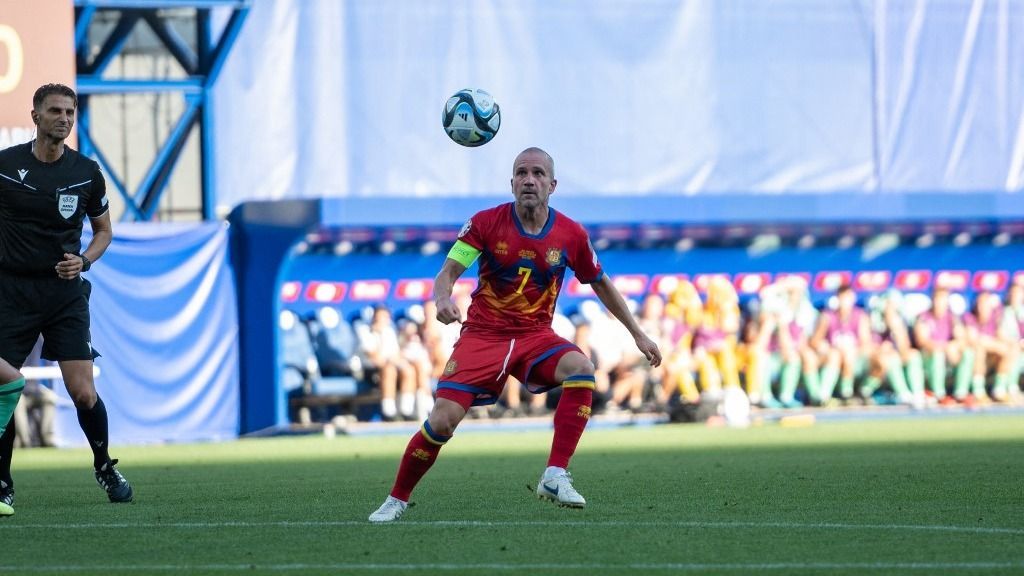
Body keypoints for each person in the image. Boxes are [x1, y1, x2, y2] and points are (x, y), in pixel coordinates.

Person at [368, 147, 661, 522]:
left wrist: (638, 334)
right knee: (442, 421)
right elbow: (448, 271)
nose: (529, 180)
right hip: (483, 335)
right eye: (522, 173)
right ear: (511, 183)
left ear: (552, 185)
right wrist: (442, 297)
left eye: (538, 173)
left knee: (582, 368)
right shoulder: (484, 223)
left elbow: (601, 283)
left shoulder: (571, 234)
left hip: (534, 336)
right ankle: (396, 499)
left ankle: (555, 473)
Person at [0, 83, 134, 515]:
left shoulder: (86, 172)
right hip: (12, 293)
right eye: (55, 110)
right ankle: (2, 483)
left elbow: (104, 232)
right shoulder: (5, 166)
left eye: (70, 112)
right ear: (35, 115)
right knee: (3, 388)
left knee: (82, 392)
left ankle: (104, 465)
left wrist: (85, 262)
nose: (63, 118)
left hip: (63, 295)